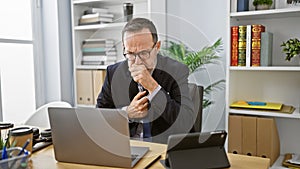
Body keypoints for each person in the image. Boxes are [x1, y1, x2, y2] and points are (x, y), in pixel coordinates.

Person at [96, 18, 195, 143]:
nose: (137, 62)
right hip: (126, 146)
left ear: (157, 47)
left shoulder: (176, 71)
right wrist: (126, 114)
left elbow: (186, 122)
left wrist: (154, 88)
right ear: (124, 48)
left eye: (144, 53)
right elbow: (99, 117)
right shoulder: (114, 73)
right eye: (130, 53)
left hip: (161, 148)